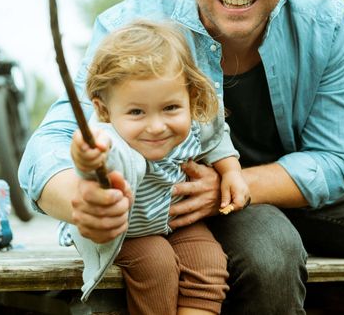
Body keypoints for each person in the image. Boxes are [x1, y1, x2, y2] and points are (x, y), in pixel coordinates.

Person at [19, 0, 344, 314]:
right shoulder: (131, 25)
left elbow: (334, 158)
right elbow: (51, 143)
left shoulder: (325, 18)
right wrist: (81, 201)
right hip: (177, 186)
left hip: (279, 176)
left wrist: (233, 183)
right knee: (271, 252)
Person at [67, 19, 249, 314]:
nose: (156, 126)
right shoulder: (112, 139)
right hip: (125, 231)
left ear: (190, 97)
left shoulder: (196, 122)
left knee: (209, 262)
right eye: (137, 112)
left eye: (170, 108)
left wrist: (231, 171)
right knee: (157, 265)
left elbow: (217, 137)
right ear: (104, 110)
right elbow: (104, 162)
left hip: (172, 221)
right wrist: (89, 156)